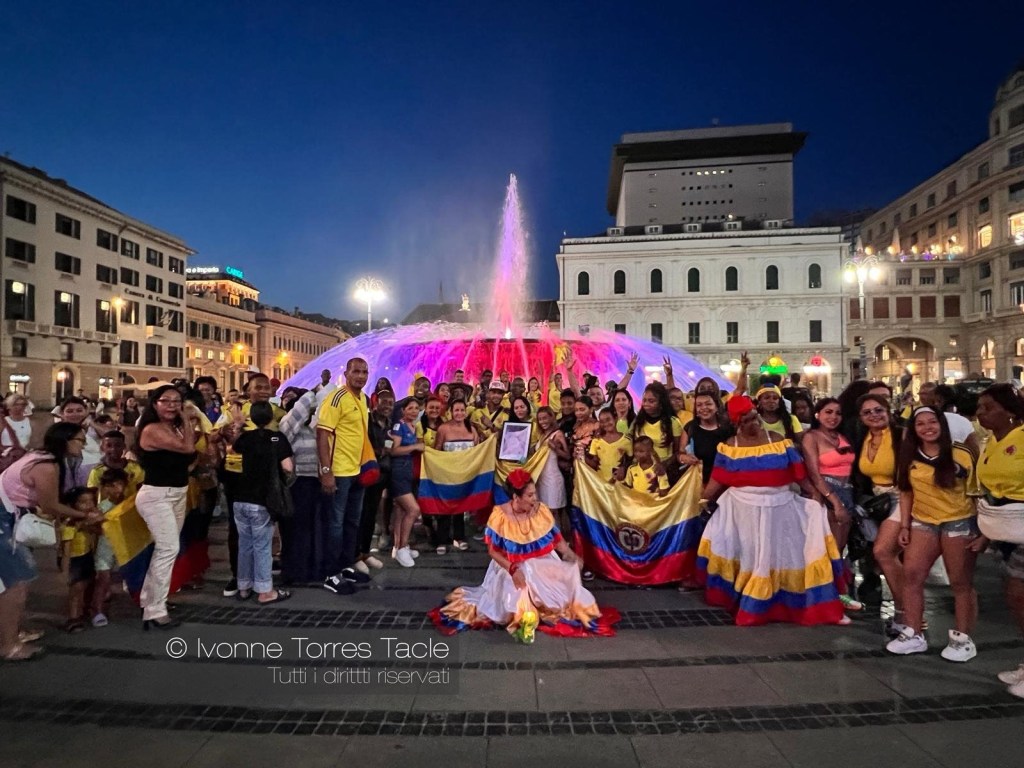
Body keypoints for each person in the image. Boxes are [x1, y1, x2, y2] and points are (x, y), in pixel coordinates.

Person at [697, 396, 845, 626]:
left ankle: (782, 599)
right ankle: (748, 595)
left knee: (781, 555)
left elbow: (798, 472)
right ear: (737, 423)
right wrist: (704, 498)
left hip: (779, 509)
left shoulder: (777, 440)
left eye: (755, 418)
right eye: (746, 420)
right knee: (749, 556)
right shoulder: (730, 446)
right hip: (741, 511)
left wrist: (814, 494)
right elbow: (718, 476)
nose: (753, 423)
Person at [432, 469, 613, 641]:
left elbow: (556, 539)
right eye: (530, 495)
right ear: (515, 497)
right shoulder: (499, 515)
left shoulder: (541, 510)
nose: (535, 499)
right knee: (517, 600)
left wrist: (570, 555)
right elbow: (493, 551)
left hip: (541, 563)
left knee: (571, 598)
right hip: (509, 566)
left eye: (534, 493)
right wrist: (512, 569)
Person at [0, 423, 105, 659]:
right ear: (65, 441)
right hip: (4, 519)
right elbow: (50, 505)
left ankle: (14, 631)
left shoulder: (41, 457)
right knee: (16, 583)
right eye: (79, 440)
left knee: (18, 580)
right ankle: (8, 645)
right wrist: (85, 515)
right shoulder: (46, 466)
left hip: (10, 517)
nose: (84, 444)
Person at [887, 407, 984, 660]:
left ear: (942, 424)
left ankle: (963, 639)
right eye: (920, 423)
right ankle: (913, 632)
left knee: (960, 582)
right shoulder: (909, 455)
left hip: (959, 523)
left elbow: (977, 494)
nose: (927, 427)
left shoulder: (961, 454)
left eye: (932, 422)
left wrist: (983, 532)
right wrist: (905, 525)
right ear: (914, 428)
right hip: (923, 523)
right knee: (912, 576)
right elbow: (906, 491)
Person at [135, 385, 198, 629]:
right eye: (166, 401)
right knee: (168, 549)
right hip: (157, 495)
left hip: (177, 493)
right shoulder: (151, 430)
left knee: (165, 549)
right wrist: (185, 419)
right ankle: (154, 610)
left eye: (177, 401)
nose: (172, 405)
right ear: (154, 404)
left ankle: (149, 599)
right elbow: (188, 449)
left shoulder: (173, 428)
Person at [975, 385, 1024, 694]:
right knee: (1014, 596)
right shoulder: (992, 441)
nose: (981, 413)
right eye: (979, 407)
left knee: (1019, 595)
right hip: (1004, 527)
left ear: (1009, 410)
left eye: (988, 407)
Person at [317, 358, 374, 595]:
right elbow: (321, 435)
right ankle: (331, 574)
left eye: (364, 372)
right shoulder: (337, 398)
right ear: (346, 373)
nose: (361, 376)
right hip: (339, 472)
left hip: (357, 470)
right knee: (336, 524)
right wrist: (326, 471)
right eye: (356, 372)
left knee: (352, 523)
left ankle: (345, 566)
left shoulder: (361, 398)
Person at [230, 402, 294, 604]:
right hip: (263, 500)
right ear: (271, 417)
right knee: (262, 546)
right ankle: (265, 590)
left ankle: (243, 586)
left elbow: (233, 454)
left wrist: (238, 426)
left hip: (240, 498)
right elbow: (288, 467)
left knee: (245, 544)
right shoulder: (277, 439)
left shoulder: (245, 438)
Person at [802, 398, 862, 613]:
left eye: (837, 413)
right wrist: (834, 501)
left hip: (847, 492)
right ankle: (831, 596)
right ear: (817, 414)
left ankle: (835, 593)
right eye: (828, 412)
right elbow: (814, 474)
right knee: (826, 548)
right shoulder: (812, 437)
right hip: (828, 494)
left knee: (838, 547)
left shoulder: (843, 436)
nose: (833, 417)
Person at [853, 392, 906, 627]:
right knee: (885, 556)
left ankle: (906, 612)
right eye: (867, 412)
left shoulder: (901, 435)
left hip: (900, 497)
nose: (873, 415)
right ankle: (908, 611)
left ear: (888, 411)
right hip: (876, 501)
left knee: (884, 552)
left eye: (878, 410)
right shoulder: (863, 438)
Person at [432, 399, 480, 553]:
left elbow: (478, 451)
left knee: (461, 507)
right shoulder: (443, 429)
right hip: (446, 474)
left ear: (466, 412)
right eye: (456, 410)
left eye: (462, 410)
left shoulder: (472, 429)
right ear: (450, 412)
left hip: (465, 474)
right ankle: (442, 539)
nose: (459, 413)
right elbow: (437, 450)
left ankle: (459, 537)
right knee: (445, 507)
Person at [90, 467, 130, 627]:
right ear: (104, 488)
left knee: (134, 577)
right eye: (111, 485)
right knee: (103, 580)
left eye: (119, 484)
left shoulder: (129, 505)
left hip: (125, 548)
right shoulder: (101, 508)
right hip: (105, 549)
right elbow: (93, 528)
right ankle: (97, 611)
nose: (116, 489)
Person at [60, 486, 102, 633]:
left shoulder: (85, 522)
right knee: (76, 590)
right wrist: (65, 571)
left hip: (87, 555)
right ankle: (73, 618)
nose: (89, 505)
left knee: (85, 585)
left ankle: (81, 612)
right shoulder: (69, 524)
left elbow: (100, 532)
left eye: (91, 501)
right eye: (83, 502)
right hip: (74, 559)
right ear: (72, 506)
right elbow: (66, 550)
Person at [679, 392, 733, 487]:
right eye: (699, 405)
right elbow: (680, 453)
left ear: (717, 406)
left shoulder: (728, 429)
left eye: (708, 404)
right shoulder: (690, 428)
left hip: (725, 484)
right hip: (699, 484)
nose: (704, 408)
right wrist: (683, 458)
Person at [630, 382, 682, 470]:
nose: (646, 404)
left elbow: (677, 452)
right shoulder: (638, 421)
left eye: (651, 401)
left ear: (661, 403)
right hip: (639, 470)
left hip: (664, 469)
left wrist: (664, 465)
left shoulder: (673, 422)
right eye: (644, 400)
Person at [86, 430, 144, 495]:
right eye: (109, 446)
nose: (113, 449)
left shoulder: (136, 468)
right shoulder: (96, 472)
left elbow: (142, 492)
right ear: (102, 448)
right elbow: (92, 495)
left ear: (124, 446)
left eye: (118, 445)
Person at [586, 409, 632, 483]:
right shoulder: (596, 440)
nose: (606, 423)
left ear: (615, 418)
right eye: (602, 421)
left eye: (608, 419)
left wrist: (624, 468)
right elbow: (594, 463)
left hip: (620, 483)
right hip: (601, 483)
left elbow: (631, 460)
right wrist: (582, 457)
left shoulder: (627, 440)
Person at [1, 393, 32, 468]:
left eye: (22, 404)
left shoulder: (31, 422)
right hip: (7, 457)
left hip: (25, 457)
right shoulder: (3, 421)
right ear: (9, 406)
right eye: (16, 404)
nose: (20, 407)